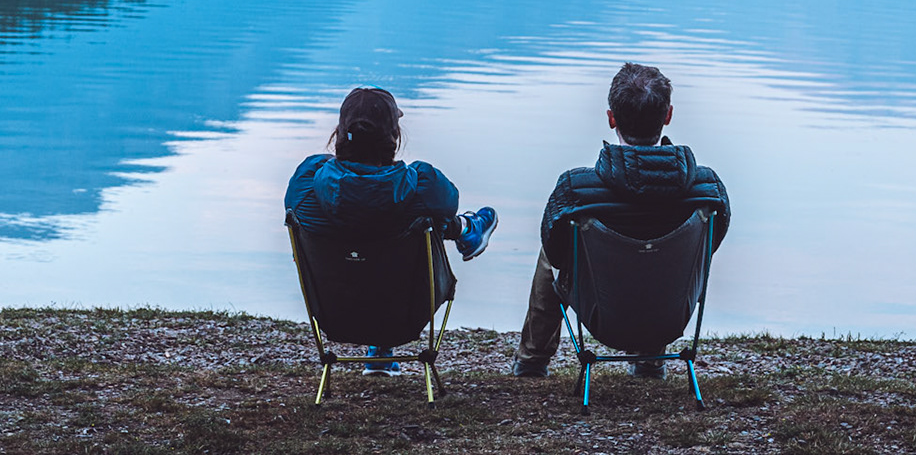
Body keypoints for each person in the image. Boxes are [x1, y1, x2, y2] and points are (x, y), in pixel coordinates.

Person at [513, 62, 730, 379]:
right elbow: (710, 247)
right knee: (680, 250)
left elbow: (560, 256)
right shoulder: (707, 189)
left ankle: (532, 360)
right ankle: (650, 361)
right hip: (670, 317)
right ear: (668, 116)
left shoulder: (574, 190)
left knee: (551, 254)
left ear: (611, 117)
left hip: (602, 318)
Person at [286, 85, 497, 375]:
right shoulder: (422, 184)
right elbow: (447, 203)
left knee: (367, 231)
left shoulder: (306, 183)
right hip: (406, 315)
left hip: (335, 315)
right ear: (394, 136)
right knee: (426, 219)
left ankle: (379, 349)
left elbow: (330, 192)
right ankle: (466, 230)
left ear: (339, 133)